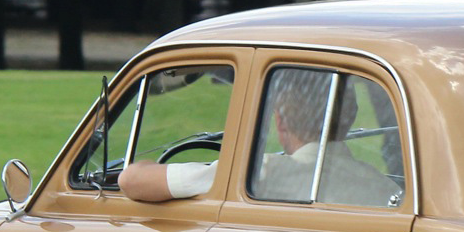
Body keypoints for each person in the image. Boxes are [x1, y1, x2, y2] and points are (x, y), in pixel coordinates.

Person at [120, 74, 401, 208]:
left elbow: (131, 180)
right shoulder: (381, 185)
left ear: (280, 121)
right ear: (349, 118)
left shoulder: (261, 175)